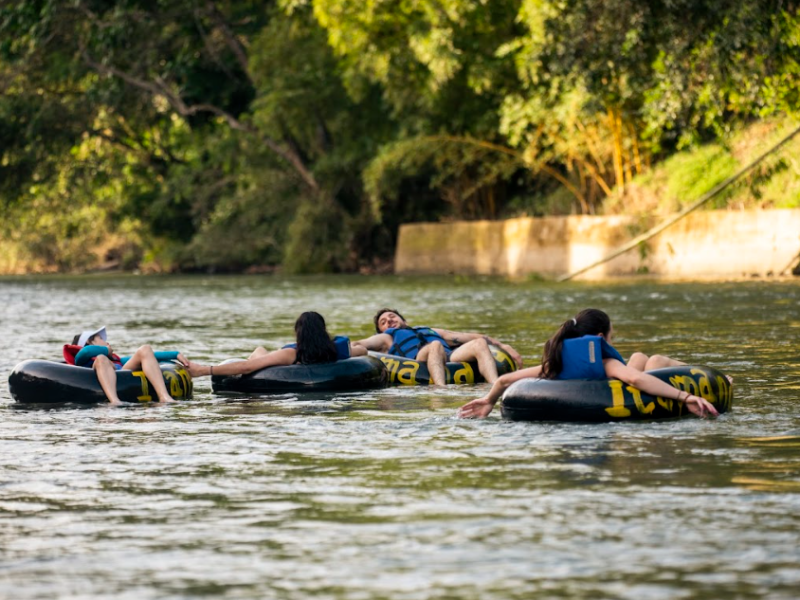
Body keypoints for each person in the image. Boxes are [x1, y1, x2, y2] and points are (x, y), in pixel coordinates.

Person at [458, 308, 719, 419]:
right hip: (609, 400)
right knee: (656, 360)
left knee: (639, 357)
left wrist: (489, 401)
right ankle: (710, 378)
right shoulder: (605, 363)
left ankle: (709, 376)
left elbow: (504, 380)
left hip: (573, 396)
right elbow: (636, 380)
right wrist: (685, 396)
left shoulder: (555, 364)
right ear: (599, 338)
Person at [352, 308, 523, 386]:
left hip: (449, 358)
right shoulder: (385, 338)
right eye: (384, 322)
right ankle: (440, 390)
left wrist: (503, 346)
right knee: (435, 345)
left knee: (479, 343)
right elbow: (361, 344)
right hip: (418, 362)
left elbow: (469, 336)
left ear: (405, 321)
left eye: (392, 316)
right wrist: (347, 349)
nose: (389, 320)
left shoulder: (430, 330)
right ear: (380, 329)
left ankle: (495, 384)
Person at [187, 311, 365, 377]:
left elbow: (247, 367)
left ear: (299, 333)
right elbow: (362, 351)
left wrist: (204, 370)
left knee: (259, 350)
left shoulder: (291, 353)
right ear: (324, 330)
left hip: (277, 370)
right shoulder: (336, 349)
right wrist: (355, 345)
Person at [63, 326, 190, 405]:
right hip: (99, 373)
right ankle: (114, 400)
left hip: (121, 371)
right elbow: (86, 351)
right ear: (90, 341)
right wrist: (107, 351)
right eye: (100, 338)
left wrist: (175, 354)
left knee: (145, 349)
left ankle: (164, 397)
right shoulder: (81, 358)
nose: (106, 341)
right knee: (101, 359)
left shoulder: (116, 360)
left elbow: (150, 355)